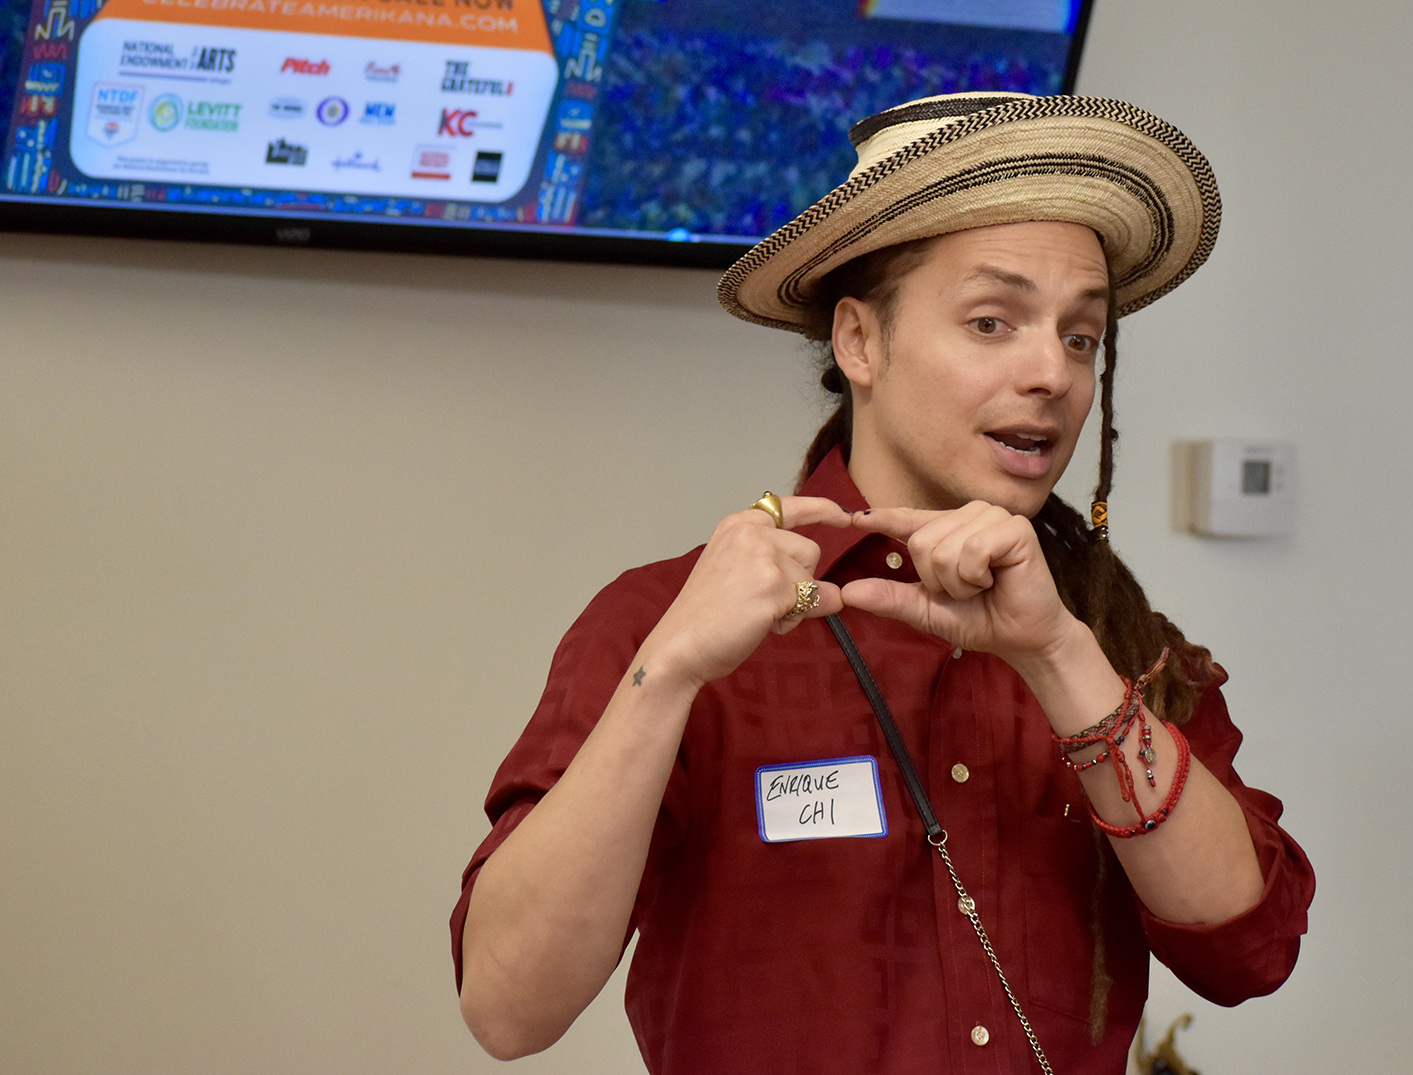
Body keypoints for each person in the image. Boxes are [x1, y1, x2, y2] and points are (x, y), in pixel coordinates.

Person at [452, 92, 1314, 1074]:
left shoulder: (1107, 636)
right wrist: (669, 675)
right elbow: (507, 1008)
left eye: (1081, 337)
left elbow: (1252, 949)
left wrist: (1059, 656)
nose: (1052, 373)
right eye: (993, 321)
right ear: (859, 342)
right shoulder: (663, 621)